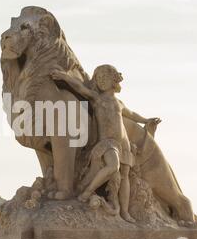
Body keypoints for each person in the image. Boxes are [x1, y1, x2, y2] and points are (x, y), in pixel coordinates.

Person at [51, 65, 160, 223]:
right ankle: (87, 192)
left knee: (124, 177)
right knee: (112, 166)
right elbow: (80, 87)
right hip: (107, 143)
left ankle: (124, 212)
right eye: (98, 77)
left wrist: (146, 121)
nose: (100, 79)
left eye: (104, 76)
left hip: (124, 144)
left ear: (114, 80)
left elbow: (132, 115)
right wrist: (64, 76)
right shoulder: (97, 98)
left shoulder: (119, 103)